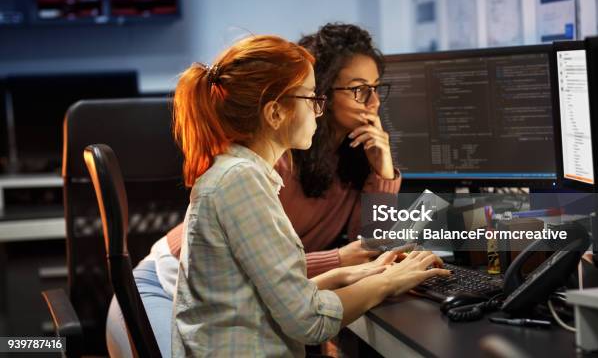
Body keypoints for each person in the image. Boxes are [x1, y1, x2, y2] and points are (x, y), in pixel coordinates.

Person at [105, 24, 415, 357]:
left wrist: (382, 172)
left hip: (231, 307)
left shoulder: (329, 160)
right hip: (164, 285)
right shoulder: (260, 170)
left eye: (376, 87)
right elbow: (287, 301)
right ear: (277, 111)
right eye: (358, 89)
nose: (373, 101)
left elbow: (372, 245)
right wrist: (356, 269)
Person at [168, 34, 449, 356]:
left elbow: (253, 293)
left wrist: (351, 273)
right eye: (312, 98)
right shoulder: (243, 181)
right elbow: (309, 321)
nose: (318, 110)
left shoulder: (242, 172)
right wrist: (389, 282)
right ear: (275, 114)